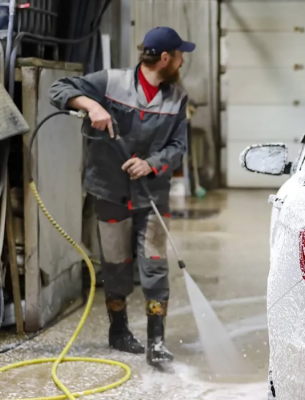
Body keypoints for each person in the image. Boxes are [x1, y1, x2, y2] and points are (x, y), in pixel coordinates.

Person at [49, 27, 195, 366]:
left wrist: (151, 164)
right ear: (165, 58)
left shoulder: (177, 97)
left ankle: (156, 342)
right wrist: (91, 106)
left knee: (154, 265)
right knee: (115, 264)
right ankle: (118, 331)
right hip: (110, 191)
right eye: (179, 55)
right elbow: (58, 89)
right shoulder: (110, 82)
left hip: (152, 194)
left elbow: (178, 147)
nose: (182, 61)